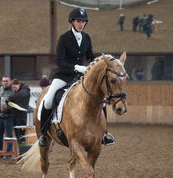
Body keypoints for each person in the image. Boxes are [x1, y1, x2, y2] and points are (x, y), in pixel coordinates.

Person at [38, 7, 115, 147]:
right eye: (78, 21)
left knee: (100, 99)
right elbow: (59, 61)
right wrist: (76, 67)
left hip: (81, 77)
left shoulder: (86, 38)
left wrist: (98, 64)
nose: (81, 24)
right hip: (63, 76)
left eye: (83, 21)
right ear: (72, 22)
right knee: (48, 100)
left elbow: (91, 57)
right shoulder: (64, 39)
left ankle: (104, 133)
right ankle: (43, 134)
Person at [0, 76, 14, 159]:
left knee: (9, 136)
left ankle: (8, 154)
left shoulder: (13, 92)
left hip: (8, 117)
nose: (5, 82)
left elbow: (15, 106)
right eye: (3, 81)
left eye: (6, 81)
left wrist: (7, 108)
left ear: (9, 82)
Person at [8, 78, 30, 148]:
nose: (14, 89)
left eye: (15, 87)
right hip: (15, 116)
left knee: (21, 136)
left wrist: (10, 97)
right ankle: (21, 150)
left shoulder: (25, 89)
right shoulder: (15, 91)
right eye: (13, 87)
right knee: (18, 135)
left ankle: (23, 150)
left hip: (22, 117)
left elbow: (20, 95)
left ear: (19, 85)